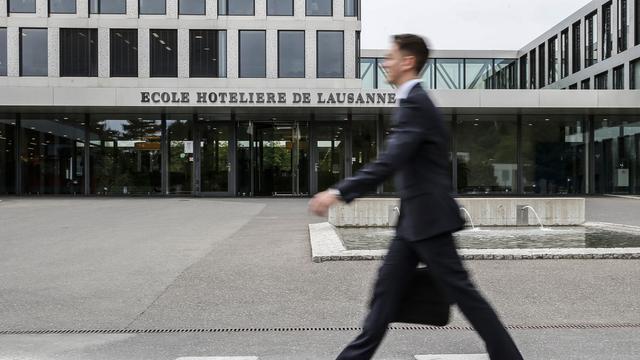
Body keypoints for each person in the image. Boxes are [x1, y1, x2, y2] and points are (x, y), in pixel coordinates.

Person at [308, 34, 524, 360]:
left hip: (429, 220)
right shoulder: (412, 103)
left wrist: (338, 192)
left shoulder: (416, 105)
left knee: (463, 295)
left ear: (408, 61)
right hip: (415, 219)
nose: (385, 63)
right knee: (385, 294)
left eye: (390, 57)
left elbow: (390, 161)